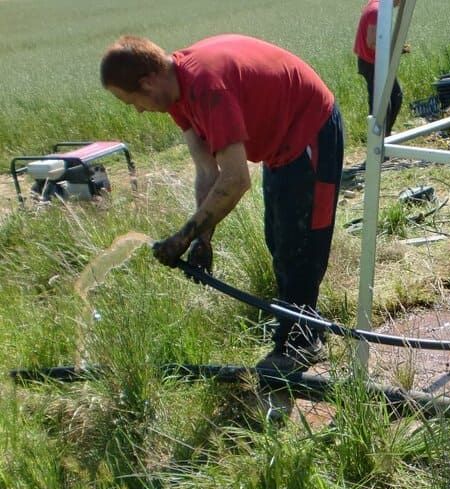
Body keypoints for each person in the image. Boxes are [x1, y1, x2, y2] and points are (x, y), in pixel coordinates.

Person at [100, 34, 343, 373]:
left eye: (133, 102)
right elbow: (206, 170)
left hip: (310, 126)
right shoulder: (176, 95)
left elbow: (235, 179)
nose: (139, 110)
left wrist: (183, 237)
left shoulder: (206, 86)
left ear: (148, 81)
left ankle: (301, 343)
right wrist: (203, 238)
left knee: (300, 243)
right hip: (279, 145)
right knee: (280, 239)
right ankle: (302, 330)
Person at [354, 0, 406, 139]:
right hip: (372, 63)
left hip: (375, 61)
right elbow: (372, 42)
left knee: (394, 97)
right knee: (383, 104)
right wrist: (394, 48)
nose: (401, 4)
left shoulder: (378, 5)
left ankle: (384, 136)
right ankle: (377, 142)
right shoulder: (377, 11)